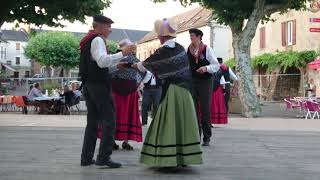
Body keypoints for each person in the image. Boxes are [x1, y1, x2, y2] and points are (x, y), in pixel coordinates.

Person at [132, 18, 202, 167]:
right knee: (183, 124)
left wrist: (130, 65)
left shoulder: (162, 51)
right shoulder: (180, 48)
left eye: (158, 35)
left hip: (172, 92)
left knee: (168, 123)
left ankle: (168, 158)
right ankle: (184, 158)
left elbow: (144, 66)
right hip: (186, 92)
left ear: (161, 37)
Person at [79, 15, 136, 168]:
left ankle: (86, 158)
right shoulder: (97, 39)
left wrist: (116, 66)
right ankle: (103, 157)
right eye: (108, 26)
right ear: (99, 26)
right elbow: (102, 61)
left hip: (89, 85)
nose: (110, 30)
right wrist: (122, 53)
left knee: (92, 123)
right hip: (99, 86)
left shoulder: (88, 39)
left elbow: (99, 65)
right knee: (109, 121)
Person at [109, 39, 145, 150]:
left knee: (122, 115)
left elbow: (142, 72)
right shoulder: (115, 58)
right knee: (119, 115)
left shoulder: (117, 58)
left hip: (125, 91)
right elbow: (108, 72)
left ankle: (121, 141)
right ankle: (115, 141)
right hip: (121, 91)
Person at [187, 28, 220, 146]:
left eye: (193, 36)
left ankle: (207, 137)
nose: (191, 38)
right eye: (190, 36)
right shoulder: (189, 49)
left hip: (205, 81)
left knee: (205, 109)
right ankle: (196, 137)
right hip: (193, 81)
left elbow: (216, 65)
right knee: (193, 110)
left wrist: (205, 68)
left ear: (199, 36)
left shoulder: (207, 49)